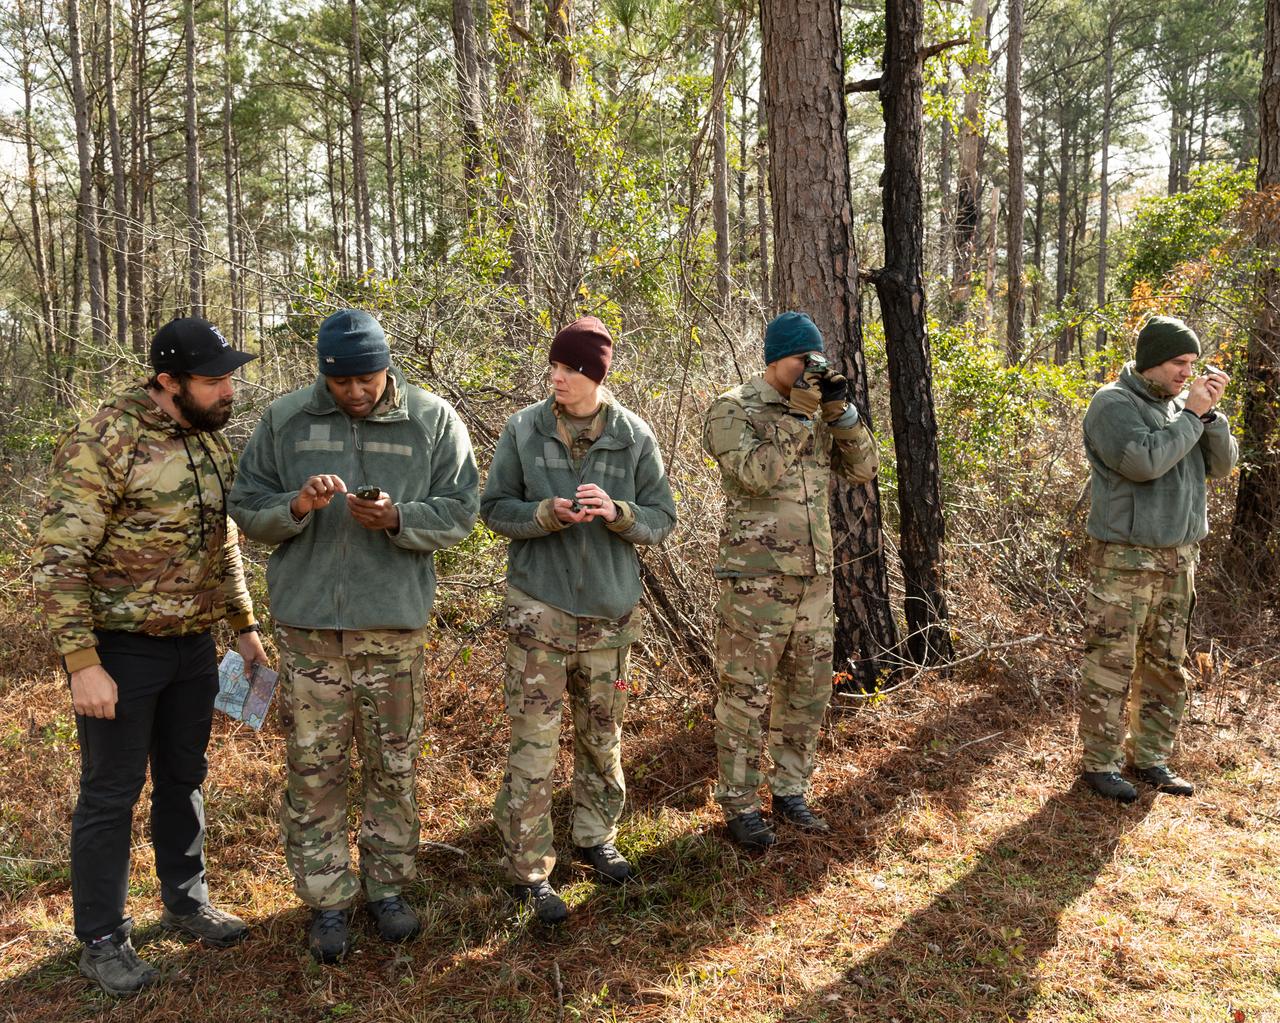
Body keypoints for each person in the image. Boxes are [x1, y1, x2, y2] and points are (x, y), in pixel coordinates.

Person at [228, 309, 478, 961]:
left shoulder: (431, 418)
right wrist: (298, 506)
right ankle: (327, 900)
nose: (357, 393)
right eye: (343, 383)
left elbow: (462, 509)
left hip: (392, 626)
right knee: (315, 768)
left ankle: (388, 887)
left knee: (393, 762)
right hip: (310, 630)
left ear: (386, 366)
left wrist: (400, 517)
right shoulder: (286, 420)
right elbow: (246, 504)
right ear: (323, 374)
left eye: (367, 379)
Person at [33, 318, 267, 996]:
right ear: (168, 381)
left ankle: (186, 898)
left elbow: (221, 541)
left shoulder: (210, 441)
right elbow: (58, 558)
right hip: (121, 651)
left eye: (230, 376)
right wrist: (83, 661)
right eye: (215, 379)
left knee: (184, 775)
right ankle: (102, 937)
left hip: (193, 645)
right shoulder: (104, 440)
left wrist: (244, 626)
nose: (230, 389)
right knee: (110, 793)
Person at [480, 316, 676, 924]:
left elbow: (662, 519)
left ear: (595, 375)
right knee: (534, 749)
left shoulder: (633, 435)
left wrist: (618, 512)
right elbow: (494, 509)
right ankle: (530, 870)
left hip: (610, 621)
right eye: (554, 367)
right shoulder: (525, 428)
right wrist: (545, 513)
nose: (556, 378)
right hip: (540, 615)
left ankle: (596, 838)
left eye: (568, 369)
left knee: (602, 739)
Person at [702, 311, 880, 850]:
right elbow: (756, 473)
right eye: (803, 360)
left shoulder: (818, 410)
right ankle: (739, 802)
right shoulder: (733, 407)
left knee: (806, 693)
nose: (810, 368)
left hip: (814, 580)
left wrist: (841, 414)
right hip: (755, 583)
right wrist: (798, 419)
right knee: (745, 697)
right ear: (777, 358)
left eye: (816, 360)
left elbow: (865, 469)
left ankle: (790, 790)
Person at [1078, 314, 1238, 803]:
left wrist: (1208, 417)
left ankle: (1150, 758)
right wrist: (1190, 415)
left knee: (1167, 665)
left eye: (1192, 363)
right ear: (1151, 362)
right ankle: (1099, 765)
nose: (1186, 372)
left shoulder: (1182, 408)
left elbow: (1224, 465)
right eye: (1177, 362)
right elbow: (1143, 464)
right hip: (1124, 561)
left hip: (1177, 561)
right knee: (1112, 663)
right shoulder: (1113, 404)